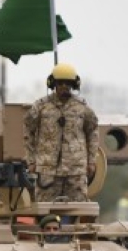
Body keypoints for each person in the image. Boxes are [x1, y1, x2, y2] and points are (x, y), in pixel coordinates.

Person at [23, 62, 100, 203]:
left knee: (78, 209)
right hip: (47, 170)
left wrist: (91, 162)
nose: (64, 86)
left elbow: (93, 133)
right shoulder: (41, 107)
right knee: (45, 209)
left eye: (68, 83)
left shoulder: (82, 108)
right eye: (60, 83)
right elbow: (28, 131)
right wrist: (31, 161)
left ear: (74, 84)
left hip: (75, 171)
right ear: (53, 83)